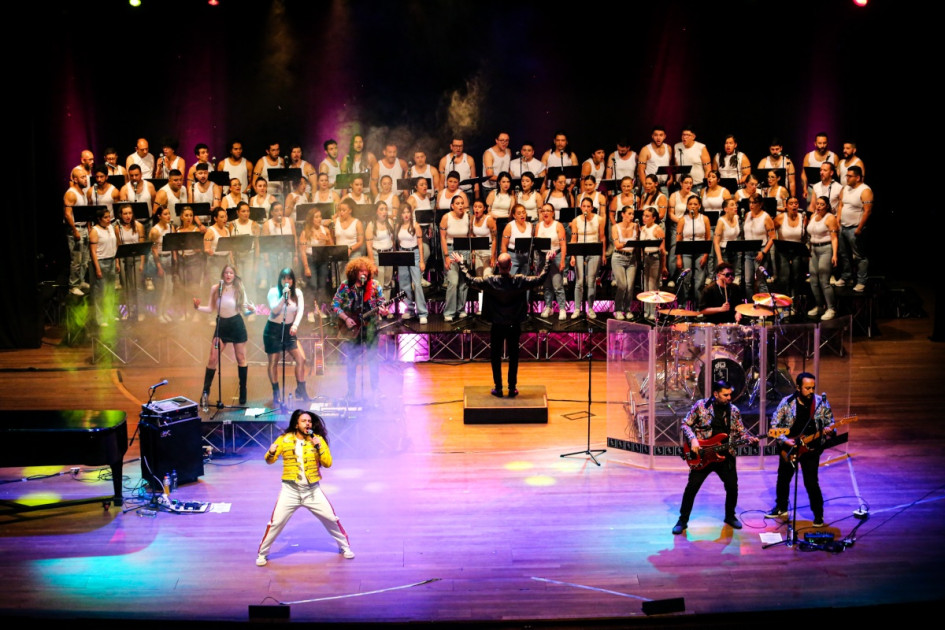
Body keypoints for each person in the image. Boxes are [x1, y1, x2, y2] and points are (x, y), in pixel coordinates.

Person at [256, 409, 354, 567]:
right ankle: (262, 553)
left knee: (331, 519)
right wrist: (271, 452)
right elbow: (269, 461)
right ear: (296, 424)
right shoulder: (284, 439)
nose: (307, 424)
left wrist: (319, 447)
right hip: (290, 490)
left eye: (309, 421)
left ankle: (345, 547)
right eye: (304, 421)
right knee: (275, 523)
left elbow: (328, 463)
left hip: (312, 491)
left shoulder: (317, 440)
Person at [453, 250, 553, 397]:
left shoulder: (490, 281)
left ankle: (498, 388)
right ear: (511, 265)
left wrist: (461, 263)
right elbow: (540, 279)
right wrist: (548, 261)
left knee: (495, 357)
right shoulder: (520, 280)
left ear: (497, 265)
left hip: (497, 325)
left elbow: (470, 280)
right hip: (513, 324)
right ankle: (512, 388)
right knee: (513, 357)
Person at [673, 379, 758, 534]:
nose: (729, 398)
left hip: (725, 455)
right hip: (703, 455)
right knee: (692, 488)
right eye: (725, 395)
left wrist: (749, 439)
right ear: (716, 394)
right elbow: (685, 424)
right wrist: (693, 439)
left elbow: (741, 432)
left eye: (730, 394)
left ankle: (730, 516)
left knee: (732, 487)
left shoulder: (734, 411)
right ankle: (682, 520)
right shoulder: (701, 406)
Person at [765, 372, 835, 527]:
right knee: (783, 479)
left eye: (813, 388)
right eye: (807, 388)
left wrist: (830, 429)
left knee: (811, 482)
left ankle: (818, 514)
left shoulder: (820, 402)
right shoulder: (787, 402)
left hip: (811, 449)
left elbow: (830, 421)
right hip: (790, 448)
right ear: (798, 388)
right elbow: (774, 425)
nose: (811, 391)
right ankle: (781, 508)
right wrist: (785, 440)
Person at [331, 256, 390, 399]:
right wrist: (346, 318)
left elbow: (381, 303)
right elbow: (335, 305)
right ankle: (351, 392)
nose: (364, 273)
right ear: (354, 272)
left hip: (370, 325)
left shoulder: (375, 285)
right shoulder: (345, 286)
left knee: (372, 358)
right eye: (360, 271)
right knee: (351, 359)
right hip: (352, 326)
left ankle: (375, 390)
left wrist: (384, 311)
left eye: (366, 271)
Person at [194, 264, 252, 406]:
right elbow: (211, 308)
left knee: (240, 358)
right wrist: (197, 307)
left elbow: (246, 309)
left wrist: (253, 309)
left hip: (236, 324)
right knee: (213, 357)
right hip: (222, 326)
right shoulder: (216, 288)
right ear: (222, 274)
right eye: (226, 272)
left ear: (234, 275)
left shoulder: (239, 288)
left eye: (231, 273)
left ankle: (243, 390)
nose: (228, 275)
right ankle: (205, 392)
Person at [265, 268, 309, 404]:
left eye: (289, 278)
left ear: (293, 280)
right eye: (284, 278)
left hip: (289, 329)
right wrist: (283, 298)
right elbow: (275, 310)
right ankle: (276, 393)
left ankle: (301, 389)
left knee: (301, 359)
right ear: (280, 280)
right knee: (273, 362)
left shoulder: (298, 293)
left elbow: (300, 310)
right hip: (273, 330)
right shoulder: (273, 292)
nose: (286, 281)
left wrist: (295, 325)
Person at [836, 165, 873, 292]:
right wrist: (838, 220)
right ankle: (846, 277)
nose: (847, 178)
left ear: (857, 178)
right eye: (846, 175)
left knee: (859, 256)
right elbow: (841, 205)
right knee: (843, 254)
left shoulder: (865, 190)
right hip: (843, 226)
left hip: (855, 228)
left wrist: (859, 228)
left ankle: (861, 281)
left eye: (850, 176)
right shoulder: (845, 188)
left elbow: (867, 211)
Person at [569, 198, 606, 319]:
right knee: (579, 281)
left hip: (594, 251)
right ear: (581, 207)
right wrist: (572, 256)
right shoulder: (576, 221)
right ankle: (576, 308)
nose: (586, 208)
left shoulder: (599, 219)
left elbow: (602, 237)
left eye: (588, 206)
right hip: (580, 251)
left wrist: (603, 254)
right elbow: (574, 239)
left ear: (592, 208)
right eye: (584, 206)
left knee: (591, 281)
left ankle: (590, 307)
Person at [675, 195, 712, 308]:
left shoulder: (704, 219)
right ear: (687, 206)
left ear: (699, 206)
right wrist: (679, 257)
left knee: (699, 281)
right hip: (686, 251)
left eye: (695, 204)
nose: (693, 206)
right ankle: (682, 305)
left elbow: (708, 237)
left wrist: (705, 255)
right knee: (686, 278)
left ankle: (698, 307)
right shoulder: (683, 220)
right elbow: (678, 239)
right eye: (690, 204)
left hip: (700, 251)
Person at [807, 196, 839, 321]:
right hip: (814, 250)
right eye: (817, 204)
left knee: (824, 281)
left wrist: (834, 255)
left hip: (826, 249)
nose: (819, 206)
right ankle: (820, 306)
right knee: (813, 280)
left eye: (822, 204)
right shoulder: (813, 216)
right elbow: (810, 236)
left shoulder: (830, 218)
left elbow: (834, 238)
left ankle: (831, 308)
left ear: (827, 206)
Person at [395, 203, 428, 324]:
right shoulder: (398, 226)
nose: (406, 215)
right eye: (403, 212)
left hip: (414, 253)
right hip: (402, 253)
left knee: (417, 284)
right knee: (404, 284)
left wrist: (422, 261)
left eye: (408, 212)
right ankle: (409, 309)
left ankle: (422, 312)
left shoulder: (415, 225)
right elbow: (397, 242)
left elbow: (420, 244)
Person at [299, 207, 334, 320]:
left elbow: (332, 247)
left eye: (320, 216)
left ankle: (318, 309)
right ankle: (309, 311)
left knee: (322, 286)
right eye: (316, 217)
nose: (319, 219)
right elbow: (303, 251)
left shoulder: (325, 230)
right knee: (312, 285)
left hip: (322, 260)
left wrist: (327, 239)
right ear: (311, 219)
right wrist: (306, 267)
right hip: (311, 260)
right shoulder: (305, 232)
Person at [440, 194, 471, 321]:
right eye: (457, 203)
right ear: (452, 206)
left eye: (462, 203)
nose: (460, 206)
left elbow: (470, 234)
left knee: (464, 281)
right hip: (451, 249)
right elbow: (442, 237)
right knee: (453, 281)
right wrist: (446, 256)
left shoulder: (468, 216)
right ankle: (449, 312)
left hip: (464, 249)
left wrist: (471, 252)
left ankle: (461, 309)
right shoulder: (446, 217)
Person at [535, 203, 567, 320]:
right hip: (543, 257)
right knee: (546, 285)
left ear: (553, 213)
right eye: (543, 211)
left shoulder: (558, 225)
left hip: (555, 256)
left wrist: (562, 260)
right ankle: (548, 307)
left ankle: (562, 308)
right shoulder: (538, 225)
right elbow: (536, 244)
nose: (546, 213)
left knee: (557, 285)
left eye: (548, 210)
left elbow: (563, 244)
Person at [114, 203, 146, 321]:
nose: (128, 216)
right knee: (127, 287)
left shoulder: (139, 226)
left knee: (137, 287)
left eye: (130, 213)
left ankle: (141, 311)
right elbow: (117, 245)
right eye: (125, 213)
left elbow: (142, 246)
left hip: (136, 258)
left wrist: (142, 263)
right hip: (123, 259)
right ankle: (129, 311)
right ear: (120, 215)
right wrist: (117, 262)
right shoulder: (117, 228)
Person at [89, 206, 118, 327]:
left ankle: (110, 314)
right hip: (101, 262)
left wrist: (117, 262)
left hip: (111, 260)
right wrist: (97, 269)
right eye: (105, 217)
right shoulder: (95, 231)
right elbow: (93, 251)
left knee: (110, 291)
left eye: (109, 217)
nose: (108, 219)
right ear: (99, 219)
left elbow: (115, 245)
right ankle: (100, 318)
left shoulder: (110, 227)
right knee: (100, 292)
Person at [64, 167, 90, 296]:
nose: (86, 179)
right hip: (76, 229)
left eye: (86, 177)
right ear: (75, 179)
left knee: (85, 259)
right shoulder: (71, 193)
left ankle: (81, 281)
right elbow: (68, 214)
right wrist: (74, 230)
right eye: (82, 177)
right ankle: (73, 285)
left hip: (84, 228)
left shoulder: (82, 192)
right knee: (76, 259)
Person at [611, 203, 639, 320]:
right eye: (629, 214)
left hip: (631, 258)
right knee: (622, 285)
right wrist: (629, 243)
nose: (632, 216)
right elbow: (617, 245)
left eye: (633, 214)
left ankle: (627, 309)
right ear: (623, 214)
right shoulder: (615, 227)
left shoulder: (636, 226)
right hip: (618, 257)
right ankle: (618, 309)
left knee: (630, 286)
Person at [638, 207, 666, 322]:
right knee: (646, 285)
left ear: (654, 218)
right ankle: (646, 310)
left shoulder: (657, 229)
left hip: (655, 258)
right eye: (643, 215)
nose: (644, 218)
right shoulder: (643, 228)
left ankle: (653, 311)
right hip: (646, 258)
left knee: (653, 285)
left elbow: (663, 249)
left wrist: (664, 266)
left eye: (647, 216)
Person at [365, 201, 396, 296]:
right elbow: (369, 245)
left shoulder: (390, 222)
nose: (384, 212)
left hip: (389, 254)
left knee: (387, 282)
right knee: (379, 283)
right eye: (381, 209)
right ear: (376, 211)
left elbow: (392, 240)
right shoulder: (371, 225)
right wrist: (372, 263)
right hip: (377, 255)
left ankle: (386, 304)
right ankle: (378, 304)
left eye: (386, 209)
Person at [800, 133, 838, 199]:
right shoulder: (808, 156)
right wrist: (804, 189)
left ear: (827, 143)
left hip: (829, 190)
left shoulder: (834, 157)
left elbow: (837, 176)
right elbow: (804, 174)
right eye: (820, 143)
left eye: (824, 143)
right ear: (815, 143)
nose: (822, 145)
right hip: (812, 189)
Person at [674, 126, 711, 193]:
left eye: (687, 135)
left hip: (697, 185)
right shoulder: (677, 147)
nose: (684, 137)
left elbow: (708, 169)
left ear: (693, 137)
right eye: (683, 135)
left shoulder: (701, 147)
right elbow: (676, 166)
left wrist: (705, 185)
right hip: (680, 186)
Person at [637, 126, 672, 194]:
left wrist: (671, 177)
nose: (658, 138)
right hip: (650, 186)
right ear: (652, 136)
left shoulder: (668, 148)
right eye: (656, 135)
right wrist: (645, 186)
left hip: (663, 185)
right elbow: (640, 170)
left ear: (664, 136)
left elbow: (669, 165)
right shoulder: (645, 149)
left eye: (661, 135)